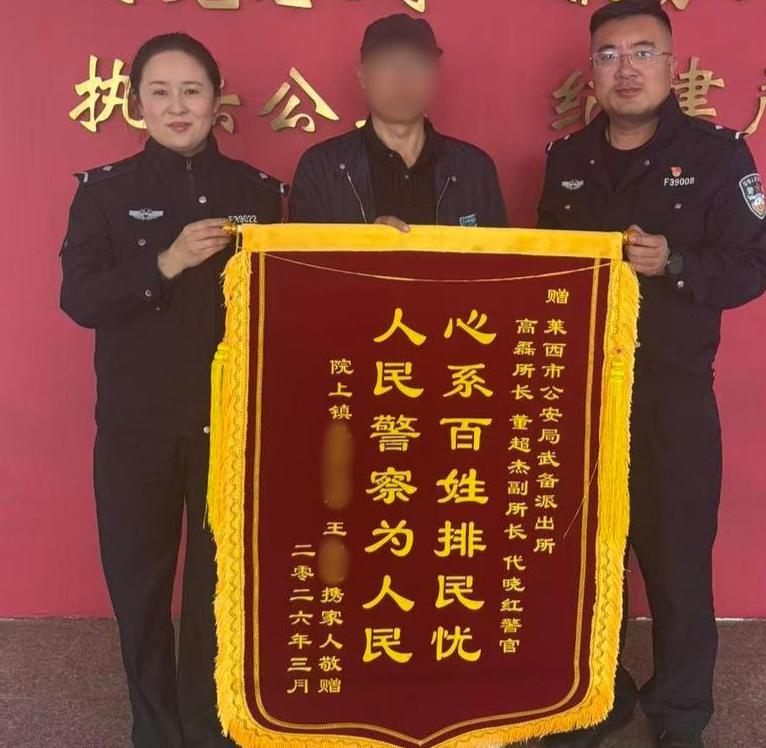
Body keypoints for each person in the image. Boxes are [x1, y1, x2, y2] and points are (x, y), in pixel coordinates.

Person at [534, 2, 766, 747]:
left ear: (672, 67)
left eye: (642, 52)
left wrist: (677, 262)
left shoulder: (718, 156)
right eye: (608, 55)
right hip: (579, 397)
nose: (625, 68)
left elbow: (752, 265)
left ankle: (681, 714)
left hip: (671, 398)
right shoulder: (567, 161)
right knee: (582, 560)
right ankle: (593, 699)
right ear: (591, 73)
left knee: (677, 566)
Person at [60, 33, 286, 748]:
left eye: (192, 90)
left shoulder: (260, 194)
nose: (177, 105)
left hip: (230, 424)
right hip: (137, 431)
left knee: (221, 590)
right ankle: (156, 732)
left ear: (218, 100)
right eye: (160, 92)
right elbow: (80, 299)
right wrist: (165, 260)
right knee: (140, 588)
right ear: (136, 104)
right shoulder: (104, 192)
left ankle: (208, 727)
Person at [288, 13, 508, 230]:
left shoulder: (475, 169)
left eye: (417, 64)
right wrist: (364, 244)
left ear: (434, 75)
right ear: (362, 75)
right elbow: (301, 253)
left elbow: (498, 253)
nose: (403, 78)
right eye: (388, 63)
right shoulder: (320, 168)